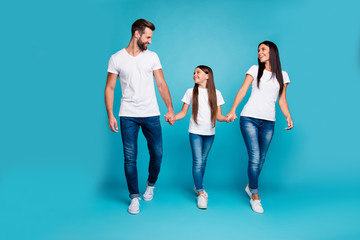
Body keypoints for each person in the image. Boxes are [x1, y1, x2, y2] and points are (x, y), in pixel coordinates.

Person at [104, 19, 176, 215]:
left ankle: (150, 184)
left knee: (158, 154)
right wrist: (110, 115)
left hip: (151, 113)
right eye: (148, 37)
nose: (150, 41)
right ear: (137, 34)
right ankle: (134, 197)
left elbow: (161, 84)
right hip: (127, 115)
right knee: (130, 158)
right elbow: (110, 88)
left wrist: (169, 109)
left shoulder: (152, 57)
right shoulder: (116, 58)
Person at [226, 41, 293, 213]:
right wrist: (233, 110)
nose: (259, 52)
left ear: (272, 52)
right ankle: (255, 196)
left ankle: (250, 186)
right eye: (258, 50)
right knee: (255, 156)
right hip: (249, 117)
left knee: (261, 158)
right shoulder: (254, 70)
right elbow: (242, 90)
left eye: (263, 49)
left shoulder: (283, 75)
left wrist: (288, 116)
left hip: (269, 121)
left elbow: (282, 100)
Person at [175, 65, 229, 209]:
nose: (194, 75)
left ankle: (198, 184)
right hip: (195, 132)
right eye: (193, 73)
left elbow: (218, 116)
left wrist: (226, 118)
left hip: (210, 133)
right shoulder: (190, 92)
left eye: (198, 72)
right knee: (198, 162)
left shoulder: (216, 93)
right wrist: (173, 117)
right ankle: (201, 192)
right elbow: (183, 113)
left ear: (207, 75)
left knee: (203, 161)